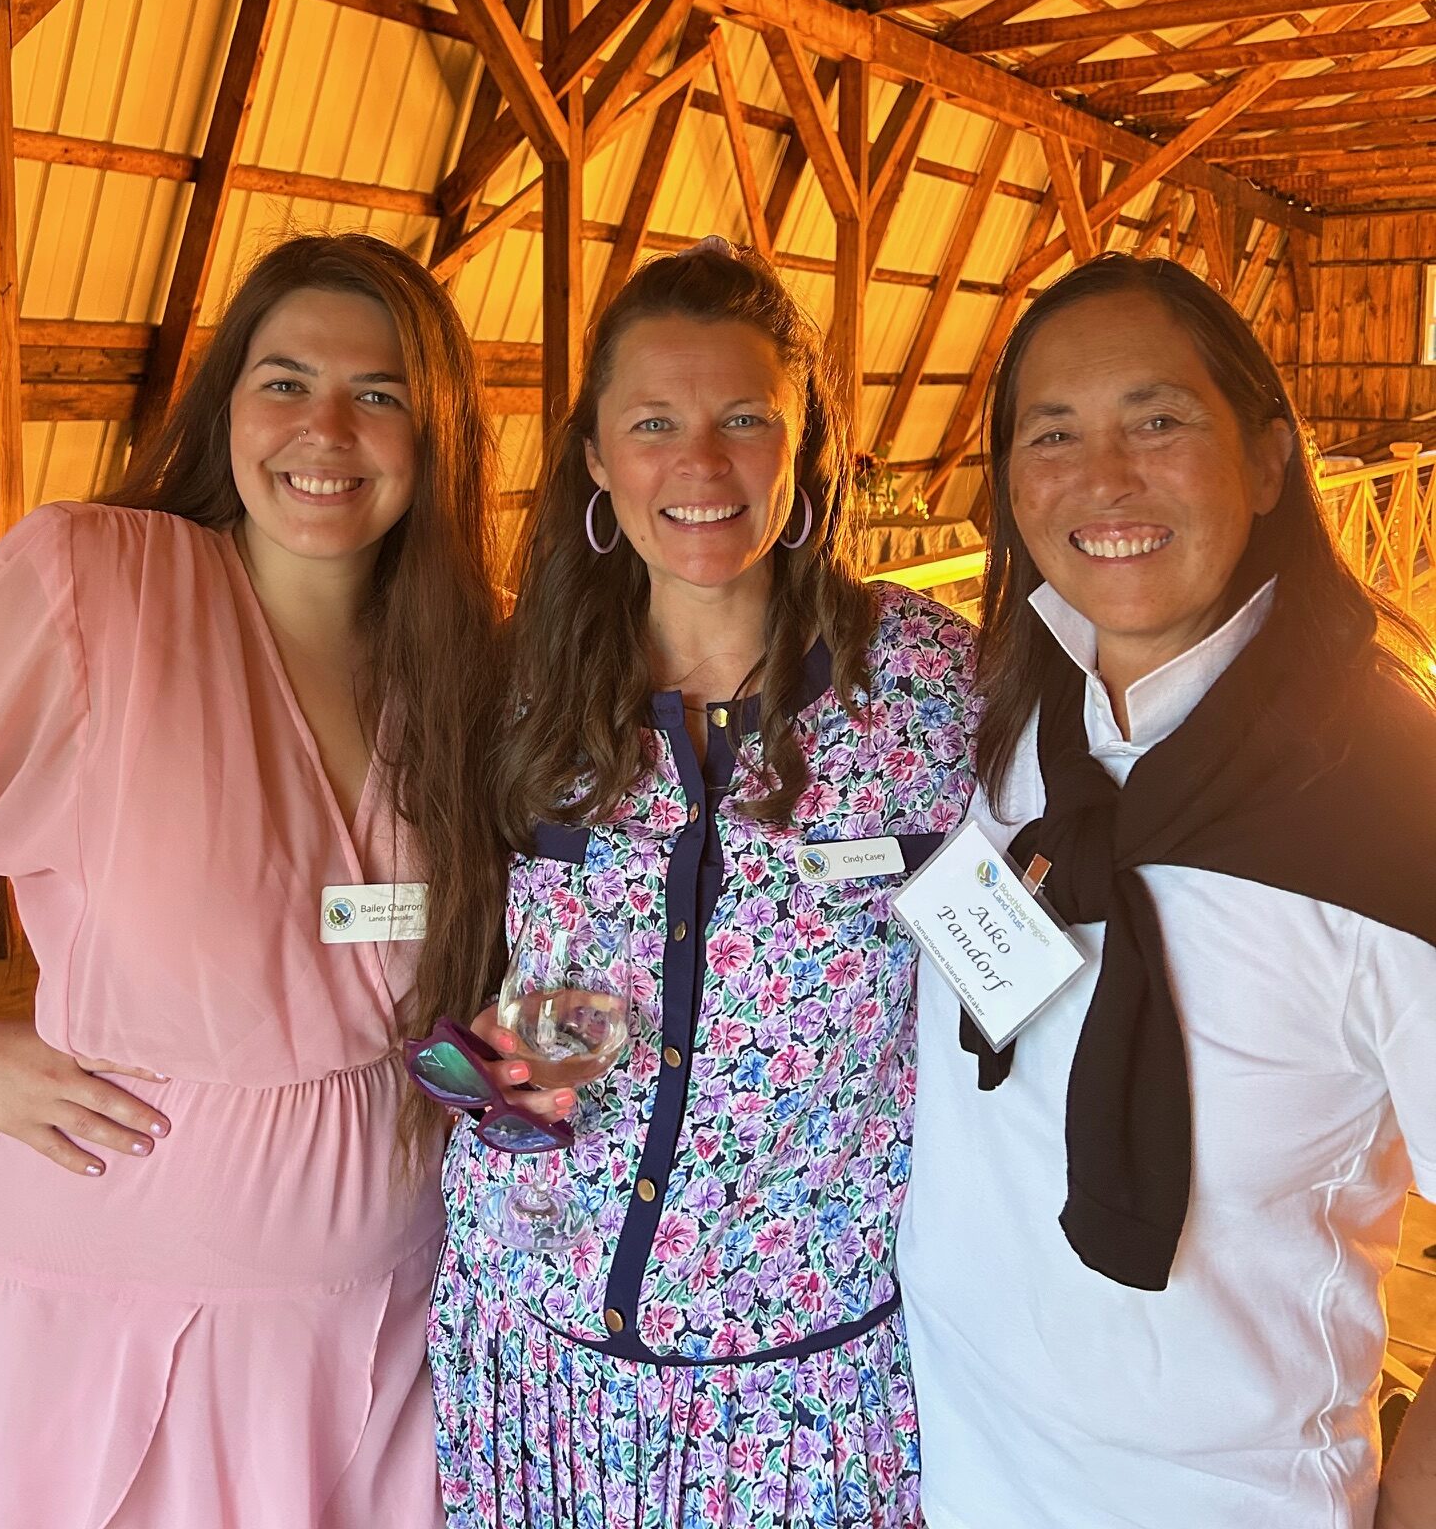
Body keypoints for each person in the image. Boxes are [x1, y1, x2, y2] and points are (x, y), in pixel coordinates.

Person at [0, 233, 505, 1528]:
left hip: (391, 1317)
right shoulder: (99, 589)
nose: (327, 430)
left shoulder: (461, 659)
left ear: (436, 434)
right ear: (226, 403)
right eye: (285, 382)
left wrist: (508, 1099)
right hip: (126, 1319)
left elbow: (437, 1008)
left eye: (379, 393)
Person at [427, 241, 978, 1529]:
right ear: (597, 461)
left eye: (744, 419)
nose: (702, 464)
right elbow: (438, 980)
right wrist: (484, 1068)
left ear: (804, 447)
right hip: (535, 1354)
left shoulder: (931, 687)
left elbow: (1024, 984)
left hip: (800, 1390)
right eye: (654, 425)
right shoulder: (519, 691)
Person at [898, 252, 1436, 1529]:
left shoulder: (1388, 809)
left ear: (1267, 458)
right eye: (1053, 433)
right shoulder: (1014, 731)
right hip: (958, 1473)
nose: (1105, 478)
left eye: (1157, 420)